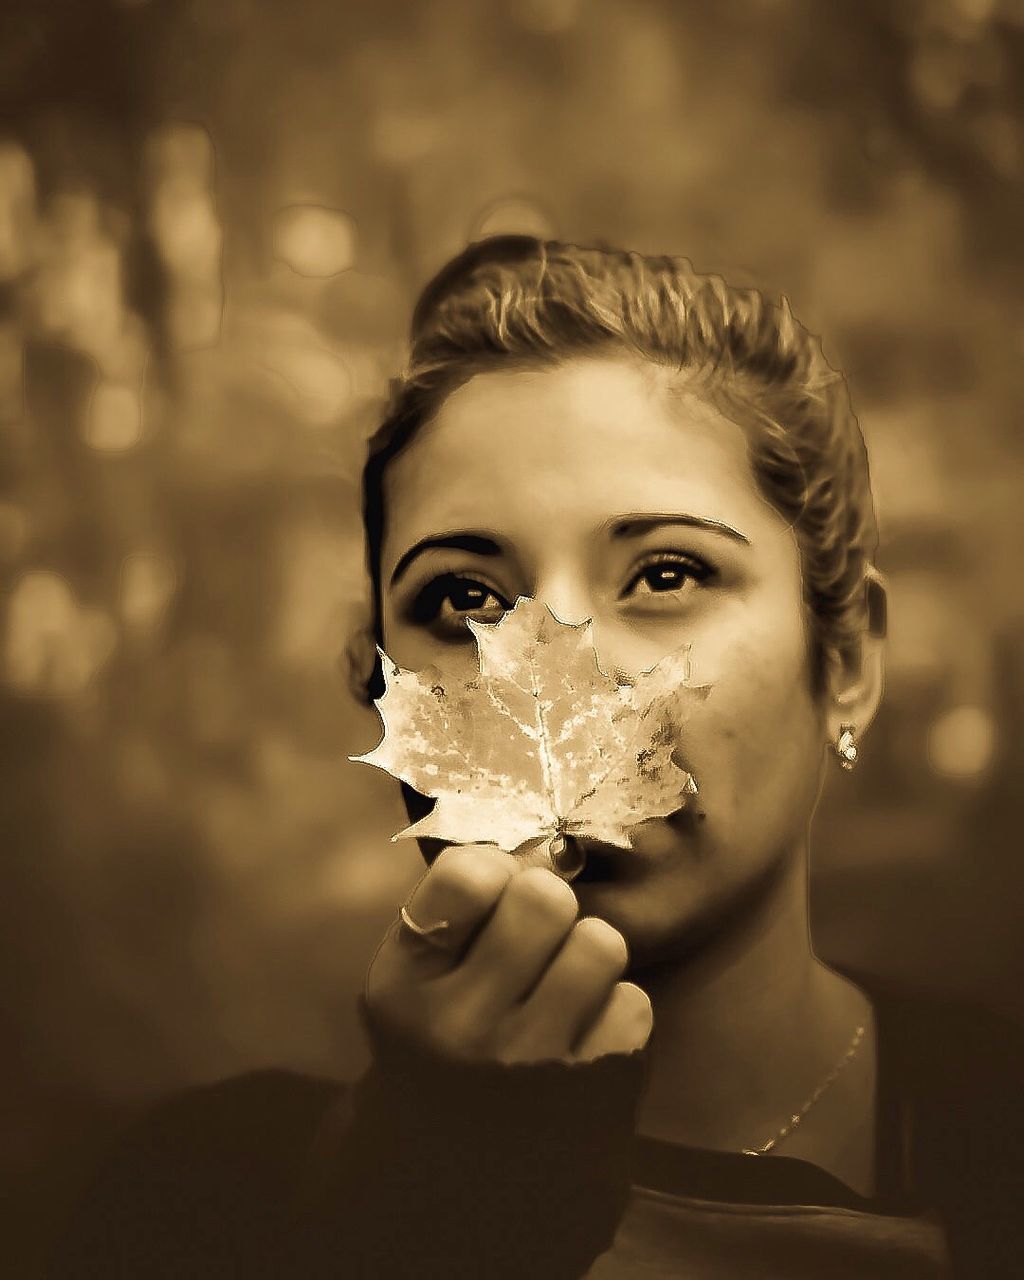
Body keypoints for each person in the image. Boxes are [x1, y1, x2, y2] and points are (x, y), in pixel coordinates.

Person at [53, 237, 1024, 1278]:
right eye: (463, 597)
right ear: (374, 684)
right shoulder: (194, 1211)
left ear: (847, 659)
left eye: (664, 573)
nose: (553, 682)